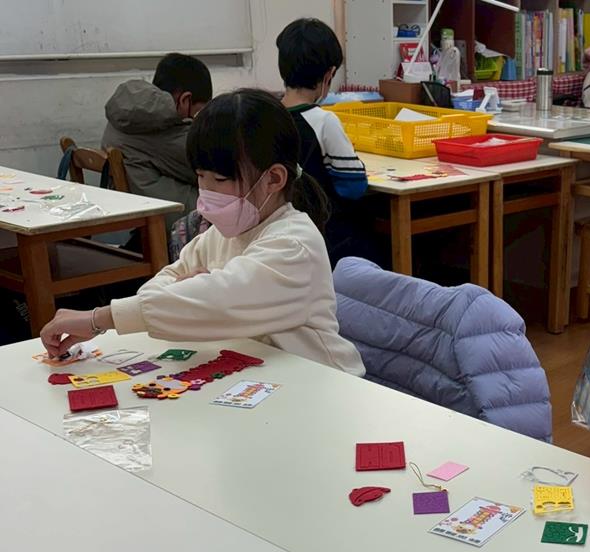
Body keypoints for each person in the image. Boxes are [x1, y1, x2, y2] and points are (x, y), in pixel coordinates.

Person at [41, 89, 365, 377]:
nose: (207, 191)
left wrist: (98, 319)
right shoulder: (225, 232)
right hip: (263, 378)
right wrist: (187, 294)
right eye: (200, 176)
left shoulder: (294, 244)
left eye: (220, 180)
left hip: (323, 385)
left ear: (273, 179)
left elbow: (215, 301)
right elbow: (162, 288)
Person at [277, 18, 375, 265]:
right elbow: (353, 187)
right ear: (329, 74)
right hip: (326, 238)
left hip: (281, 231)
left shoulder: (266, 115)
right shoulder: (323, 121)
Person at [102, 53, 212, 228]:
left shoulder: (128, 112)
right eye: (200, 113)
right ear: (185, 99)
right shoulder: (168, 130)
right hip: (174, 219)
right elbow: (216, 165)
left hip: (146, 209)